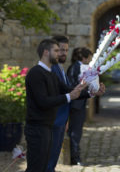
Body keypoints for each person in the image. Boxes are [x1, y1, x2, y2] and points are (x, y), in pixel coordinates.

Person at [24, 39, 88, 172]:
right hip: (36, 128)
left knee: (45, 166)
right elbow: (43, 101)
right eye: (56, 50)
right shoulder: (35, 73)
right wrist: (69, 96)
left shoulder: (51, 74)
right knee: (36, 168)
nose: (59, 54)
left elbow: (68, 89)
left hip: (47, 127)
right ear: (46, 52)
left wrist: (91, 92)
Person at [47, 36, 71, 172]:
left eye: (66, 50)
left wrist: (66, 119)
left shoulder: (61, 69)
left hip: (61, 120)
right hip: (53, 121)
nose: (64, 53)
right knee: (48, 160)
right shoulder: (52, 69)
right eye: (61, 50)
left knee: (53, 159)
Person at [67, 47, 93, 165]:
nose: (89, 61)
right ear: (83, 57)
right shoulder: (77, 67)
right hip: (76, 104)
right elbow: (73, 85)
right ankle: (75, 157)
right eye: (89, 58)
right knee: (75, 131)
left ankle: (75, 155)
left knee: (75, 130)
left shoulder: (74, 67)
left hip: (77, 103)